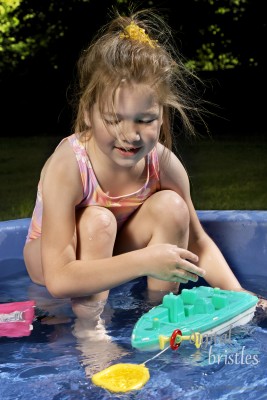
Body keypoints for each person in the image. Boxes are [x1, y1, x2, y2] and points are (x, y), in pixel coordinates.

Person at [23, 9, 262, 319]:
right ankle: (90, 331)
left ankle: (160, 314)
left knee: (173, 207)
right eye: (113, 119)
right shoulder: (68, 165)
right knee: (98, 221)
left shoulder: (163, 163)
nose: (130, 134)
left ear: (161, 115)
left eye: (145, 120)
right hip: (54, 259)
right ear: (87, 114)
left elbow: (199, 243)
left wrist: (241, 296)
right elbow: (58, 278)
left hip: (118, 247)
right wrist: (147, 261)